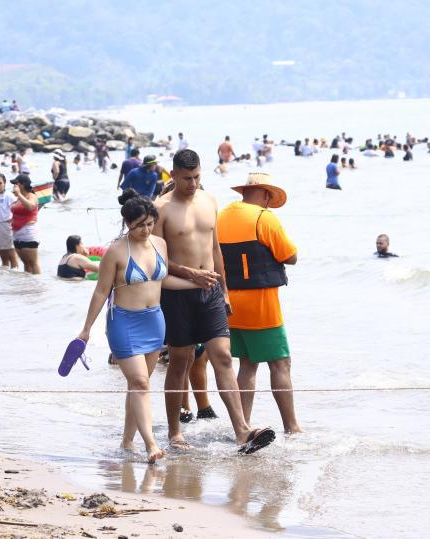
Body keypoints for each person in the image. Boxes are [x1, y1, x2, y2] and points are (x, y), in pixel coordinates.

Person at [154, 149, 276, 453]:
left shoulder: (209, 201)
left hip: (210, 292)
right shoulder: (161, 209)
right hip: (177, 295)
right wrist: (191, 274)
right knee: (180, 362)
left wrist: (224, 291)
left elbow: (216, 250)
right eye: (186, 179)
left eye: (197, 177)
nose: (192, 183)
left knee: (222, 356)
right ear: (174, 175)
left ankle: (242, 432)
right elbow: (154, 260)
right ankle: (174, 433)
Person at [76, 190, 194, 463]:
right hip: (124, 324)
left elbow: (161, 281)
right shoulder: (116, 251)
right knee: (141, 382)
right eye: (139, 224)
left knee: (137, 386)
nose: (146, 229)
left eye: (150, 223)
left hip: (154, 321)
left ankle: (127, 441)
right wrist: (86, 329)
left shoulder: (160, 244)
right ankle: (151, 444)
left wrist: (196, 282)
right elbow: (100, 292)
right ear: (127, 222)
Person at [218, 172, 301, 434]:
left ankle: (243, 426)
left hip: (228, 303)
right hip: (260, 304)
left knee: (246, 362)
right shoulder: (264, 218)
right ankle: (292, 427)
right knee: (280, 363)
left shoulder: (221, 215)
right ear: (265, 194)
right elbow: (290, 256)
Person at [10, 174, 41, 274]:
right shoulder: (18, 198)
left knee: (33, 263)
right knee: (26, 263)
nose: (14, 186)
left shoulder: (32, 196)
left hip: (28, 232)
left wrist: (19, 194)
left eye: (16, 184)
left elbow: (30, 207)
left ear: (23, 185)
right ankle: (28, 286)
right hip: (16, 233)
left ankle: (38, 285)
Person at [0, 173, 19, 269]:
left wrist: (12, 220)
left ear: (5, 183)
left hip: (6, 225)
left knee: (10, 252)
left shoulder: (9, 195)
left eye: (0, 183)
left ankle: (15, 271)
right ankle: (5, 273)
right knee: (1, 252)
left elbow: (17, 209)